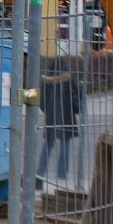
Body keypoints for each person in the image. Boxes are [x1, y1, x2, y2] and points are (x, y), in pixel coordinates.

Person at [38, 57, 81, 190]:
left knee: (48, 146)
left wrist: (49, 111)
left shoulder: (47, 81)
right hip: (67, 117)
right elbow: (78, 97)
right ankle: (62, 174)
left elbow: (42, 102)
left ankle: (40, 172)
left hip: (51, 118)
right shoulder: (69, 80)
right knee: (65, 146)